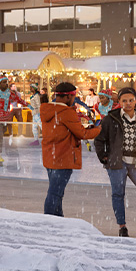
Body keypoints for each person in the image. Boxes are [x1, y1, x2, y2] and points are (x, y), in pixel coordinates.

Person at [95, 87, 136, 239]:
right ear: (119, 102)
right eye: (124, 101)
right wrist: (104, 157)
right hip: (117, 163)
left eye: (131, 100)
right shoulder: (111, 119)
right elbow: (99, 139)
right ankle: (122, 227)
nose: (128, 103)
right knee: (118, 194)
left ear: (135, 101)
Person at [37, 81, 102, 217]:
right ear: (68, 96)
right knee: (55, 193)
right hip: (63, 157)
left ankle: (58, 219)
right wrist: (98, 129)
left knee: (56, 192)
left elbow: (66, 130)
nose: (74, 99)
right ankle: (49, 220)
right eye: (74, 96)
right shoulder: (67, 112)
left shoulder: (48, 110)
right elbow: (82, 134)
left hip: (50, 156)